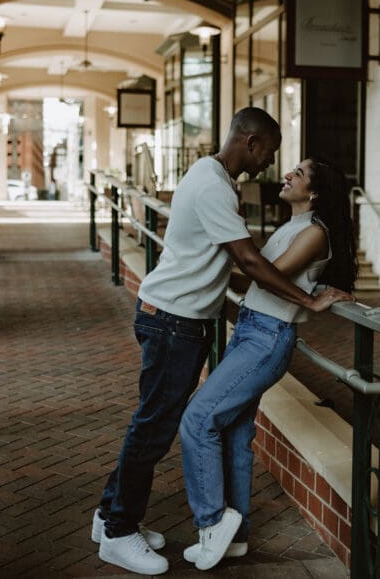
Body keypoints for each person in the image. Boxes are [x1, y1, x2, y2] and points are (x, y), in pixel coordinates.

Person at [92, 108, 353, 576]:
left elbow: (246, 265)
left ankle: (111, 516)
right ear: (251, 142)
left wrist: (301, 293)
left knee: (165, 423)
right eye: (269, 154)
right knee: (156, 426)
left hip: (185, 320)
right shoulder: (215, 185)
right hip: (173, 320)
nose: (270, 166)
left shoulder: (218, 181)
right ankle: (118, 530)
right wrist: (309, 302)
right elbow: (252, 265)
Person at [177, 157, 357, 570]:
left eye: (300, 172)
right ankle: (235, 539)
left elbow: (266, 276)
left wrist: (312, 300)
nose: (289, 173)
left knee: (198, 419)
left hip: (267, 338)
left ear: (314, 191)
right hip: (251, 329)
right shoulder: (293, 227)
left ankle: (211, 523)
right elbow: (254, 275)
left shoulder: (314, 233)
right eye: (292, 167)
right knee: (236, 434)